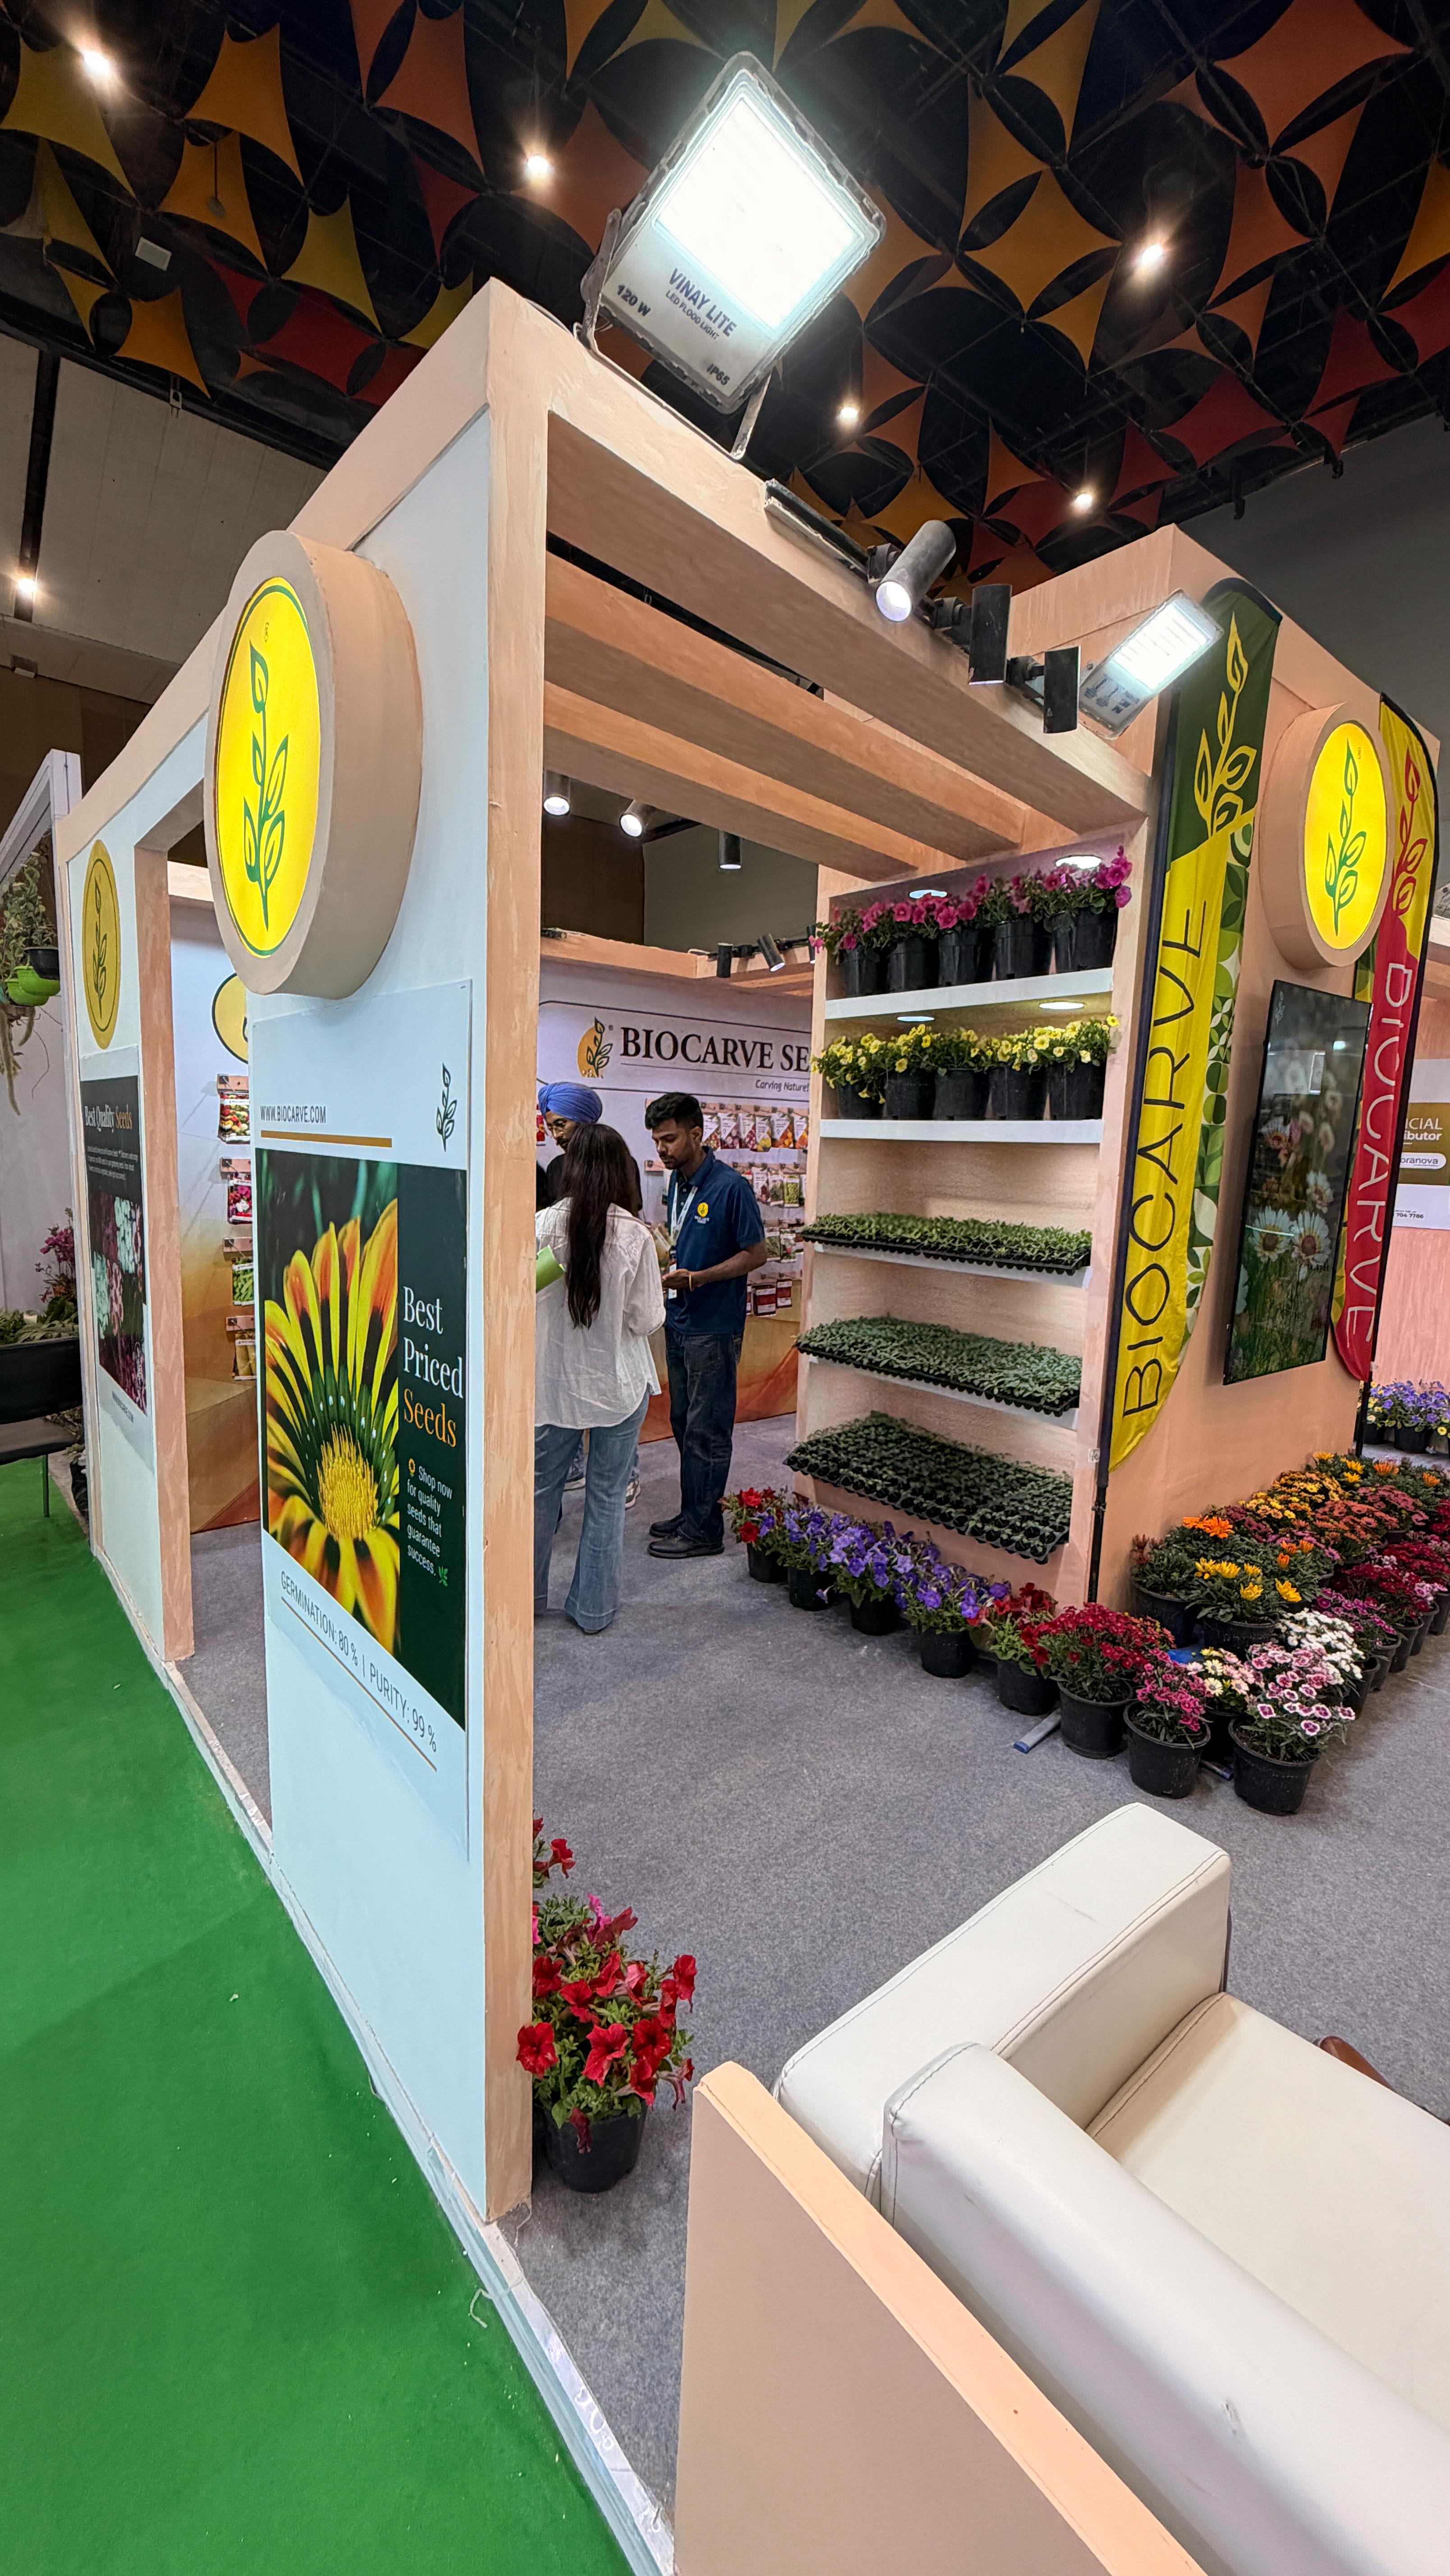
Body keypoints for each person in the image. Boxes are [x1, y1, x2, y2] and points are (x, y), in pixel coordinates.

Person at [535, 1122, 665, 1632]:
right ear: (621, 1171)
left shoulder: (543, 1227)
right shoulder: (635, 1236)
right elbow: (646, 1319)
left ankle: (526, 1600)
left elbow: (525, 1291)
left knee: (541, 1496)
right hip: (618, 1385)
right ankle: (593, 1610)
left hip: (552, 1386)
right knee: (607, 1498)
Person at [644, 1090, 767, 1561]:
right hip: (679, 1319)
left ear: (697, 1134)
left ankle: (705, 1530)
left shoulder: (730, 1188)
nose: (663, 1150)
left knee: (707, 1429)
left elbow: (757, 1254)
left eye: (671, 1139)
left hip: (713, 1326)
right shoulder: (677, 1183)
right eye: (658, 1141)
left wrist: (699, 1279)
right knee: (683, 1422)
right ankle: (692, 1511)